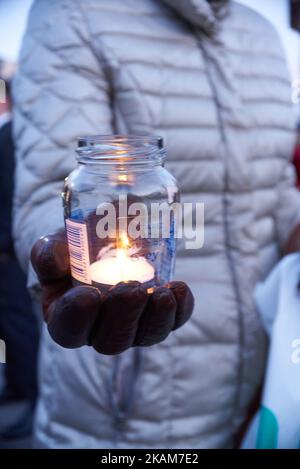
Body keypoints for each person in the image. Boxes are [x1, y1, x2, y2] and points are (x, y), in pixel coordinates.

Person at [12, 0, 300, 448]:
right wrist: (63, 270)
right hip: (126, 405)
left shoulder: (261, 32)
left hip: (258, 381)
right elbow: (53, 182)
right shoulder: (73, 12)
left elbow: (276, 187)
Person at [0, 78, 39, 439]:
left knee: (20, 327)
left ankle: (30, 398)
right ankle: (15, 385)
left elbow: (13, 196)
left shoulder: (15, 138)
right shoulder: (11, 134)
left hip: (9, 253)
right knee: (10, 329)